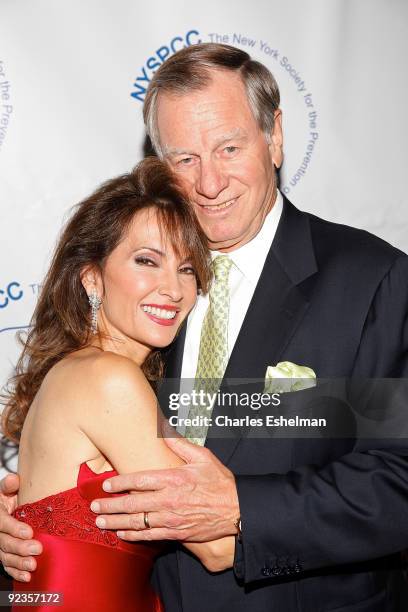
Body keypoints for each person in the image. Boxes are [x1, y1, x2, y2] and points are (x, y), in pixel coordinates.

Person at [2, 43, 408, 611]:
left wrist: (245, 510)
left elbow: (397, 481)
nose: (208, 182)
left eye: (229, 147)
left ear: (276, 137)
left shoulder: (369, 279)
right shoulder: (150, 303)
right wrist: (34, 515)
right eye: (183, 159)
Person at [0, 156, 235, 611]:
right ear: (92, 278)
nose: (173, 288)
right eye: (147, 260)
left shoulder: (82, 371)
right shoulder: (108, 379)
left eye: (187, 269)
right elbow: (220, 548)